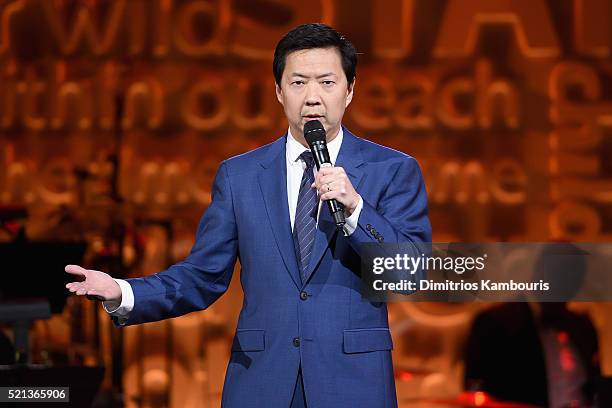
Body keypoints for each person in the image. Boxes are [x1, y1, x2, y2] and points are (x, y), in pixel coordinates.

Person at [66, 23, 431, 407]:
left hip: (354, 385)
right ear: (278, 91)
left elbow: (410, 273)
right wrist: (123, 291)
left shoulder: (392, 169)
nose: (312, 98)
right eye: (298, 83)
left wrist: (356, 208)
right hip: (263, 382)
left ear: (350, 90)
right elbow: (203, 276)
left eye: (326, 83)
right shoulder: (239, 175)